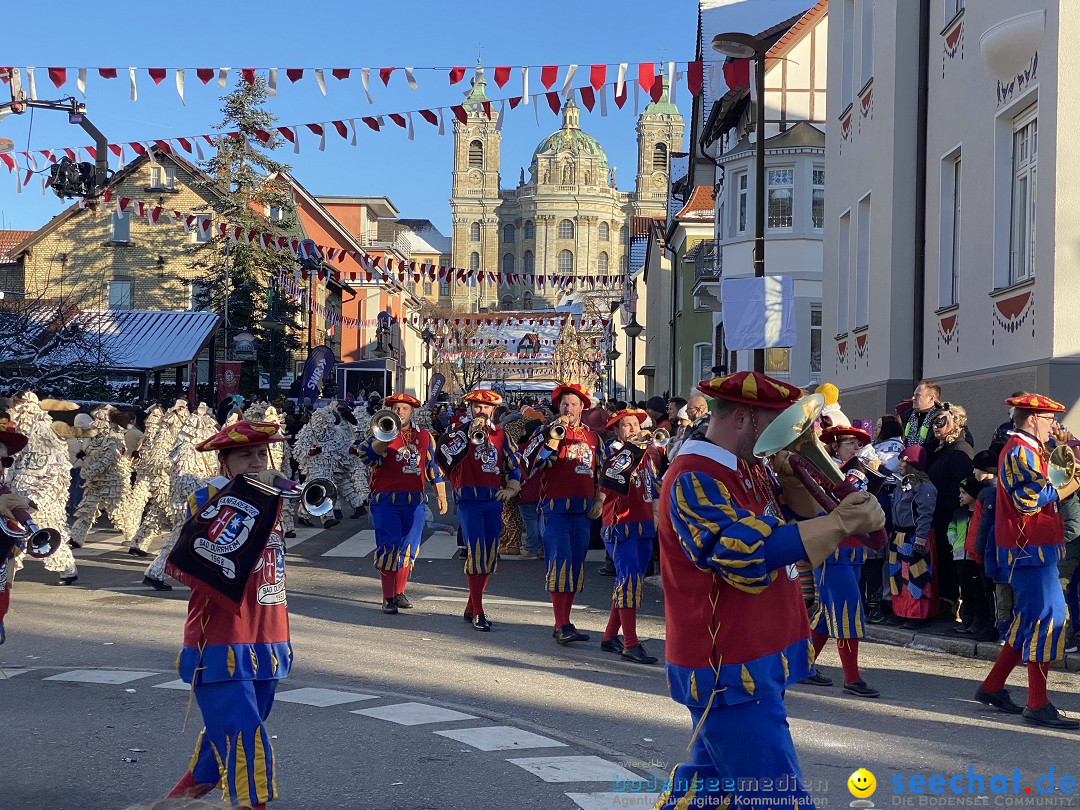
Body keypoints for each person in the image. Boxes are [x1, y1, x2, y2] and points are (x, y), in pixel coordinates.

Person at [654, 372, 884, 810]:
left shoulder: (748, 467)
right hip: (728, 666)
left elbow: (791, 523)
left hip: (754, 653)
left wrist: (802, 486)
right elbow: (745, 552)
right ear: (744, 418)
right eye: (775, 422)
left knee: (707, 793)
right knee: (778, 800)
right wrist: (839, 523)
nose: (786, 436)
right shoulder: (694, 476)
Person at [163, 420, 293, 807]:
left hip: (268, 635)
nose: (256, 462)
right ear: (225, 463)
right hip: (220, 640)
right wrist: (257, 491)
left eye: (261, 454)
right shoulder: (207, 497)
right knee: (246, 744)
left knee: (224, 742)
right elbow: (204, 543)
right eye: (245, 456)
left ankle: (168, 806)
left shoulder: (272, 497)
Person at [975, 393, 1080, 729]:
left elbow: (1056, 473)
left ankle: (992, 686)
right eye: (1049, 419)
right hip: (1028, 548)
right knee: (1050, 618)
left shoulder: (1032, 448)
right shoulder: (1020, 450)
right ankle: (1037, 703)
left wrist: (1066, 455)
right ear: (1033, 419)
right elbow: (1030, 499)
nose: (1054, 425)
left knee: (1028, 620)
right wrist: (1070, 484)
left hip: (1035, 548)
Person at [525, 382, 608, 645]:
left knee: (574, 567)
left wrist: (600, 500)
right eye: (564, 403)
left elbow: (604, 472)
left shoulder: (594, 438)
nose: (568, 408)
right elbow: (531, 462)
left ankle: (566, 620)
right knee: (559, 565)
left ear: (583, 407)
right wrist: (553, 437)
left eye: (573, 404)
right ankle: (560, 623)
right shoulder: (545, 431)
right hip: (556, 510)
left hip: (583, 511)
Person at [802, 425, 879, 697]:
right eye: (850, 443)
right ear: (835, 445)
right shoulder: (826, 472)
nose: (856, 448)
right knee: (848, 610)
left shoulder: (856, 470)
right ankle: (852, 677)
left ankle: (803, 665)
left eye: (858, 443)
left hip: (854, 550)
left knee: (826, 614)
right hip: (833, 550)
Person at [355, 393, 447, 615]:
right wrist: (383, 440)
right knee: (388, 547)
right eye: (396, 408)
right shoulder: (379, 434)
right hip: (386, 501)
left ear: (411, 412)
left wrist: (440, 493)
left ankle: (399, 592)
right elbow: (366, 457)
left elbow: (431, 466)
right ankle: (387, 597)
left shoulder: (425, 436)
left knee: (409, 548)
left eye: (404, 408)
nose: (400, 412)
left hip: (414, 501)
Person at [439, 389, 522, 631]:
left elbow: (513, 463)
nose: (482, 411)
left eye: (486, 408)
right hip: (469, 501)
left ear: (493, 410)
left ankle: (470, 605)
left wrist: (513, 486)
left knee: (489, 554)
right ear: (470, 408)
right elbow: (444, 458)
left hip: (492, 501)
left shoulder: (500, 435)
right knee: (476, 554)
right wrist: (466, 433)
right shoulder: (456, 433)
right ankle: (479, 611)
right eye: (477, 407)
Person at [597, 408, 661, 665]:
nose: (634, 429)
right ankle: (631, 644)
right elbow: (610, 482)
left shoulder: (645, 455)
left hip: (642, 525)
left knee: (628, 582)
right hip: (619, 526)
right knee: (629, 582)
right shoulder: (614, 454)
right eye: (627, 425)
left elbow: (652, 487)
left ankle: (610, 636)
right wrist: (635, 450)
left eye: (636, 424)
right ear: (616, 430)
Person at [925, 403, 974, 615]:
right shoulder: (941, 449)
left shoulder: (960, 450)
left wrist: (945, 511)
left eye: (941, 421)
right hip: (937, 515)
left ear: (955, 424)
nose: (936, 426)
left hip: (950, 518)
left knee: (950, 563)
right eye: (935, 422)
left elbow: (958, 488)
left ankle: (951, 604)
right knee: (942, 562)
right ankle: (943, 602)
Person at [887, 445, 939, 628]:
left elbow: (925, 514)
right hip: (899, 536)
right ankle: (901, 611)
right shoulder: (902, 485)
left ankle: (918, 613)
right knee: (898, 576)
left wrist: (920, 539)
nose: (899, 464)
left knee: (916, 575)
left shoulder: (924, 487)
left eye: (903, 461)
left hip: (914, 536)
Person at [952, 476, 993, 639]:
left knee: (978, 590)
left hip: (973, 556)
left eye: (964, 493)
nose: (960, 496)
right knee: (965, 589)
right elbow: (952, 526)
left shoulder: (979, 513)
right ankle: (967, 618)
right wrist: (952, 537)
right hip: (959, 555)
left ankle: (978, 619)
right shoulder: (959, 512)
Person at [901, 381, 941, 448]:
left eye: (918, 395)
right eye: (914, 395)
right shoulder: (906, 416)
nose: (913, 398)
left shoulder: (940, 420)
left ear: (931, 398)